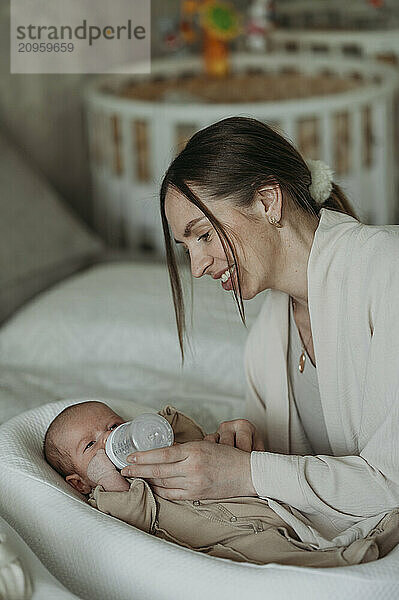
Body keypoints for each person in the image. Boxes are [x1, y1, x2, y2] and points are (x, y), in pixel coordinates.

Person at [119, 116, 399, 551]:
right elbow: (296, 489)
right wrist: (249, 449)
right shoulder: (266, 341)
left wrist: (246, 472)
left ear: (268, 201)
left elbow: (392, 484)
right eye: (187, 248)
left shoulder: (387, 269)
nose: (197, 267)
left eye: (205, 235)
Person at [43, 400, 399, 566]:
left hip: (251, 503)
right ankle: (339, 560)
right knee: (272, 557)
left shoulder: (161, 449)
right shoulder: (106, 497)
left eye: (112, 425)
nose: (108, 440)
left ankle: (375, 523)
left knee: (310, 511)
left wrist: (159, 431)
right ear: (78, 483)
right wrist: (107, 470)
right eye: (90, 446)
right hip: (224, 539)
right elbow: (133, 516)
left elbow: (199, 443)